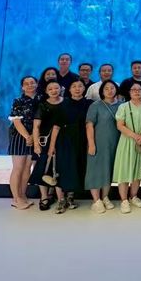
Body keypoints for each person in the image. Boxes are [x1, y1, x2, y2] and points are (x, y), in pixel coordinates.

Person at [54, 79, 93, 210]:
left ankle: (70, 197)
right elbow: (56, 127)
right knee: (62, 168)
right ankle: (61, 200)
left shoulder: (89, 104)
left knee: (76, 167)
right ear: (69, 89)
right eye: (74, 86)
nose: (77, 89)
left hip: (82, 139)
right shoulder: (63, 103)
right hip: (65, 140)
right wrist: (52, 146)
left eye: (80, 86)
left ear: (84, 89)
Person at [85, 80, 121, 214]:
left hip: (115, 143)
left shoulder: (121, 105)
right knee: (95, 170)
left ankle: (105, 197)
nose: (110, 90)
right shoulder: (95, 105)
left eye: (112, 88)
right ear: (101, 91)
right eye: (106, 88)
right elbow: (89, 125)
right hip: (98, 143)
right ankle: (96, 200)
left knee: (108, 169)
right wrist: (91, 143)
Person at [29, 81, 66, 212]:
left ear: (61, 89)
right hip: (45, 141)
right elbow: (36, 127)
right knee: (42, 168)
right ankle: (44, 197)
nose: (54, 91)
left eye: (56, 88)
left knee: (60, 168)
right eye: (50, 89)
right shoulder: (42, 105)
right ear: (46, 91)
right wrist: (36, 145)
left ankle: (60, 198)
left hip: (64, 140)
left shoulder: (66, 103)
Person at [113, 81, 141, 214]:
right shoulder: (123, 107)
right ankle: (124, 200)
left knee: (138, 170)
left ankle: (133, 196)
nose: (136, 92)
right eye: (133, 90)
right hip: (127, 141)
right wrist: (136, 136)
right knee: (124, 170)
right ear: (129, 92)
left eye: (139, 89)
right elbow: (120, 125)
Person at [7, 76, 39, 210]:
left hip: (35, 136)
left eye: (32, 83)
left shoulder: (41, 99)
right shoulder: (18, 101)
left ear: (37, 84)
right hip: (20, 136)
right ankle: (16, 198)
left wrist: (33, 136)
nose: (30, 85)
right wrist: (27, 136)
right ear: (22, 87)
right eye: (26, 83)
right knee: (18, 167)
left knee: (27, 167)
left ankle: (22, 194)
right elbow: (16, 121)